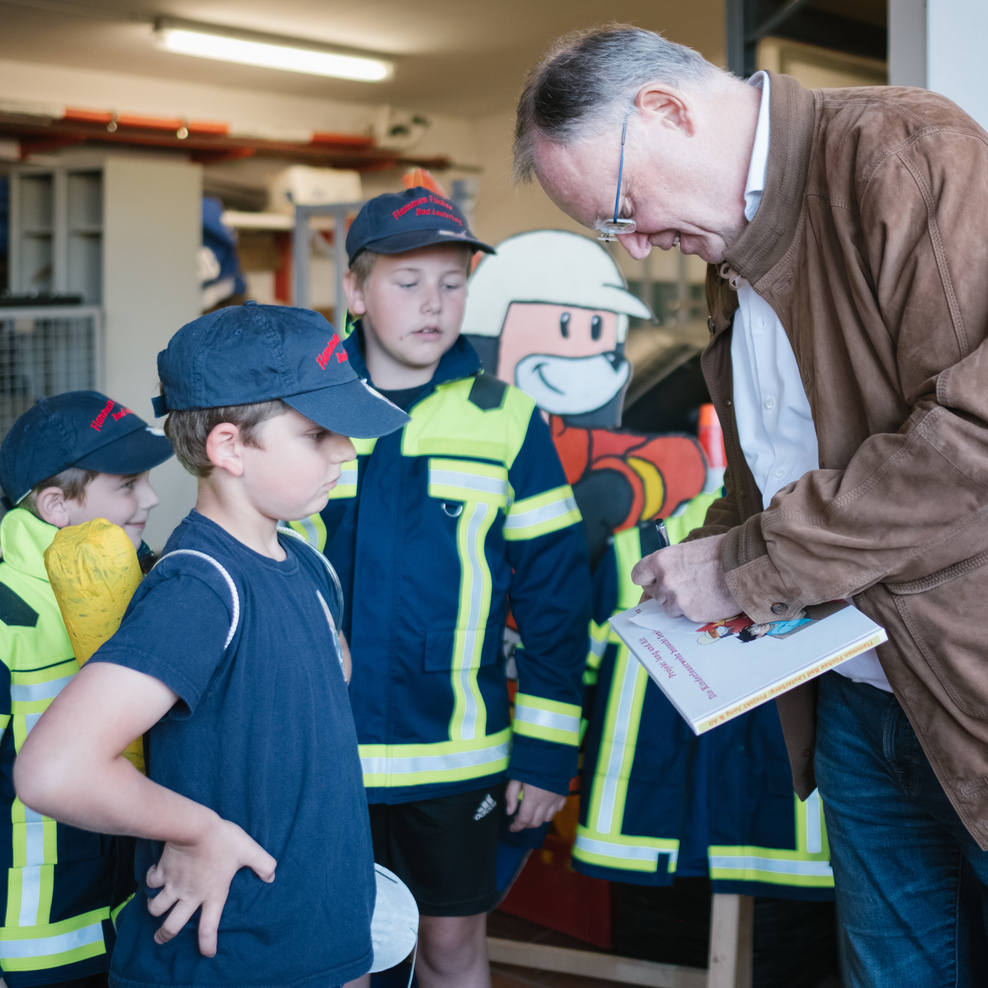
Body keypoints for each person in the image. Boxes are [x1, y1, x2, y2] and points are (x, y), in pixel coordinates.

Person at [514, 23, 988, 988]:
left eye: (622, 209)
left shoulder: (901, 153)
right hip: (861, 696)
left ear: (667, 110)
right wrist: (700, 558)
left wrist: (742, 564)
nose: (639, 243)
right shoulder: (734, 249)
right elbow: (773, 473)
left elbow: (973, 435)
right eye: (614, 231)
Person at [13, 303, 409, 988]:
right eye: (317, 434)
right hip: (230, 965)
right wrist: (196, 830)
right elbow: (54, 770)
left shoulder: (304, 560)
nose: (345, 451)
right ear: (228, 448)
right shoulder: (200, 589)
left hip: (321, 951)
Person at [293, 187, 590, 988]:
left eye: (452, 282)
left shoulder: (509, 418)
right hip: (324, 754)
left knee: (451, 951)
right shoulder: (302, 416)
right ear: (354, 292)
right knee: (334, 955)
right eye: (407, 280)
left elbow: (559, 594)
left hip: (460, 759)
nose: (434, 303)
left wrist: (546, 747)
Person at [0, 390, 172, 988]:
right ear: (56, 505)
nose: (150, 498)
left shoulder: (142, 575)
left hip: (129, 914)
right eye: (127, 484)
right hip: (35, 937)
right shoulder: (7, 614)